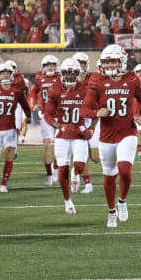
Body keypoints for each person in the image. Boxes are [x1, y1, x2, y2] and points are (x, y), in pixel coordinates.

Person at [81, 45, 141, 227]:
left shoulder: (132, 78)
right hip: (106, 135)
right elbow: (85, 108)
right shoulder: (96, 80)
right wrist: (96, 112)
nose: (109, 65)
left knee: (125, 170)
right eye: (107, 62)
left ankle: (122, 201)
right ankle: (111, 211)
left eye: (113, 61)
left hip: (128, 131)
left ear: (122, 62)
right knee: (109, 175)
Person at [43, 58, 90, 215]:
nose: (70, 76)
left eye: (73, 73)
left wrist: (92, 128)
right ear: (62, 73)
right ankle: (67, 201)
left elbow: (96, 110)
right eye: (67, 73)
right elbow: (47, 114)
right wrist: (59, 125)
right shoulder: (55, 89)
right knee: (63, 169)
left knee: (79, 166)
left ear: (79, 74)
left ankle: (75, 174)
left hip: (79, 133)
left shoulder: (86, 88)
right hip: (63, 134)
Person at [0, 63, 31, 193]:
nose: (5, 75)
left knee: (9, 157)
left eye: (7, 73)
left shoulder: (17, 89)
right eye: (2, 73)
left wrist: (28, 116)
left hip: (10, 129)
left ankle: (4, 184)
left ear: (12, 75)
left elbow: (25, 105)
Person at [29, 54, 61, 186]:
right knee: (47, 144)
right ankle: (49, 173)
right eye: (47, 65)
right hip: (45, 114)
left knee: (60, 146)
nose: (49, 68)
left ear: (56, 66)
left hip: (60, 114)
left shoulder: (61, 77)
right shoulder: (39, 77)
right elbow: (34, 91)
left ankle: (56, 168)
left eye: (52, 65)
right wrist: (34, 102)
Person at [71, 52, 98, 194]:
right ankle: (87, 183)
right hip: (76, 119)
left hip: (92, 117)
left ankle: (76, 170)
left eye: (83, 63)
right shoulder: (67, 80)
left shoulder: (93, 79)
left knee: (96, 157)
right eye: (79, 63)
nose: (81, 66)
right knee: (82, 153)